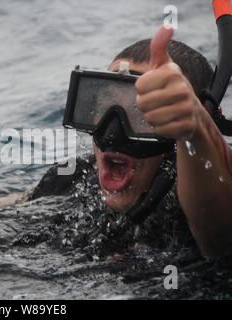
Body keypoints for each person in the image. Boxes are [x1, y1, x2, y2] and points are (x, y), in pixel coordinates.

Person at [31, 26, 232, 258]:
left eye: (141, 114)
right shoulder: (72, 178)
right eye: (107, 107)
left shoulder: (197, 205)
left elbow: (220, 240)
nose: (112, 133)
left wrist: (195, 133)